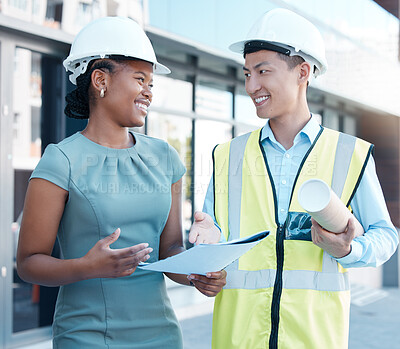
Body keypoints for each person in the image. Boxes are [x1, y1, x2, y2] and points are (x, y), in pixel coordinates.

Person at [16, 16, 225, 349]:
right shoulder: (61, 160)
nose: (149, 92)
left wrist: (196, 274)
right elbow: (28, 263)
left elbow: (170, 250)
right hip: (87, 337)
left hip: (162, 335)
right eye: (140, 79)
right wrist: (86, 267)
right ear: (101, 80)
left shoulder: (165, 157)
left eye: (152, 83)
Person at [197, 8, 399, 349]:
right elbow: (211, 239)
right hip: (237, 339)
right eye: (247, 73)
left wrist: (349, 250)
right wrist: (202, 266)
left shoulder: (350, 154)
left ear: (302, 71)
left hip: (314, 339)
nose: (251, 86)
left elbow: (385, 236)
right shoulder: (226, 155)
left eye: (263, 71)